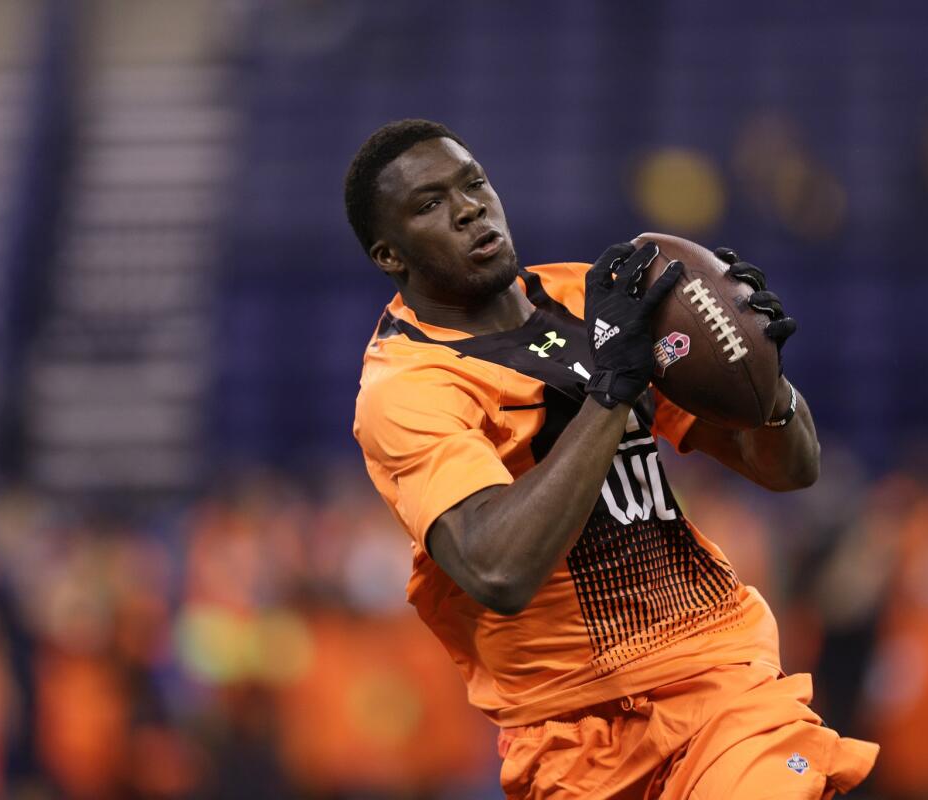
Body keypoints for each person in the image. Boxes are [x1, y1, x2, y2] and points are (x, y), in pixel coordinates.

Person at [348, 119, 877, 799]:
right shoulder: (406, 389)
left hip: (718, 681)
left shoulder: (587, 298)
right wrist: (610, 392)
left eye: (472, 182)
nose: (469, 207)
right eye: (430, 204)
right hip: (568, 735)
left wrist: (764, 379)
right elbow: (497, 568)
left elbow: (788, 467)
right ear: (391, 255)